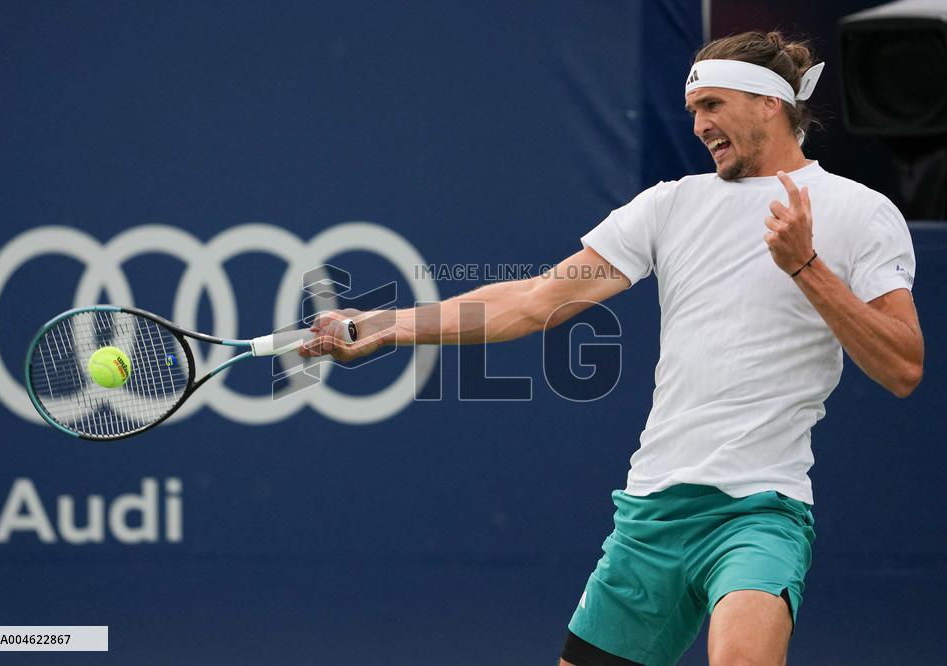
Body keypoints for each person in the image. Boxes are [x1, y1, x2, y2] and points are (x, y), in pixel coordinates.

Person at [301, 31, 924, 666]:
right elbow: (537, 300)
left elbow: (903, 367)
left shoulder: (860, 213)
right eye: (693, 112)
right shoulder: (670, 205)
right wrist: (387, 325)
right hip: (651, 513)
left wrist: (807, 267)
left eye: (713, 105)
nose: (700, 124)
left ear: (770, 103)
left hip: (761, 510)